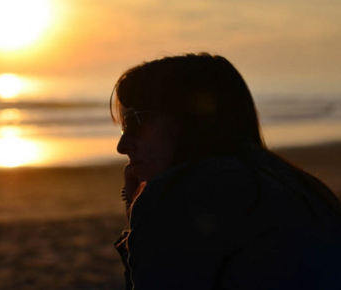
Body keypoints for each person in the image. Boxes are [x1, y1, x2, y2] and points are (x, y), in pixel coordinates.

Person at [110, 53, 341, 289]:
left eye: (133, 123)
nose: (122, 146)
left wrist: (143, 213)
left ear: (189, 120)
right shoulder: (304, 189)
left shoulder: (177, 194)